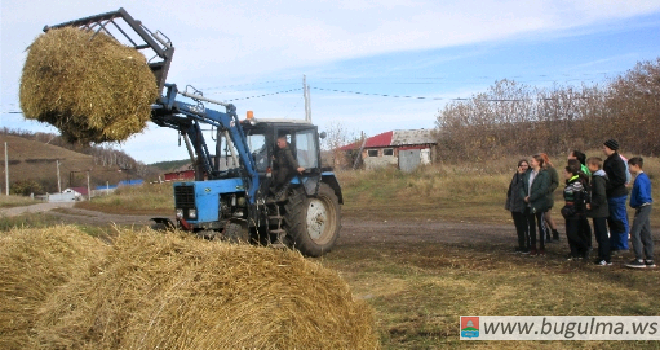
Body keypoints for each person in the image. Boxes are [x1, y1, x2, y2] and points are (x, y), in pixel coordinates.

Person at [625, 157, 654, 268]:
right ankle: (650, 258)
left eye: (630, 166)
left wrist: (640, 201)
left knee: (635, 232)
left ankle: (639, 258)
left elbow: (642, 193)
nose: (629, 169)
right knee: (646, 232)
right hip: (645, 207)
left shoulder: (640, 179)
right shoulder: (643, 177)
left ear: (636, 166)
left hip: (643, 207)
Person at [602, 139, 629, 253]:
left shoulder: (617, 161)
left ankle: (622, 245)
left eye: (604, 147)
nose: (603, 149)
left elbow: (621, 179)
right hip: (610, 194)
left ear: (610, 148)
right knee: (612, 220)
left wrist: (607, 186)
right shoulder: (609, 160)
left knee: (619, 219)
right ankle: (614, 243)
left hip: (617, 195)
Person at [521, 154, 551, 255]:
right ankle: (532, 246)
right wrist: (524, 196)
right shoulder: (528, 173)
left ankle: (542, 246)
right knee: (531, 225)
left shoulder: (544, 174)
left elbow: (543, 189)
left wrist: (532, 198)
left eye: (532, 161)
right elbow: (522, 186)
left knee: (541, 225)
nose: (530, 162)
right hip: (528, 203)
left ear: (538, 162)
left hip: (539, 203)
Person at [562, 159, 590, 260]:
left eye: (565, 172)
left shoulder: (577, 183)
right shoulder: (569, 182)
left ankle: (585, 249)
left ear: (570, 173)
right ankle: (574, 252)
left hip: (576, 211)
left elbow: (578, 199)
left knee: (574, 233)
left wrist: (573, 209)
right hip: (569, 209)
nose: (564, 174)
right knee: (569, 233)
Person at [586, 157, 611, 266]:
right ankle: (602, 257)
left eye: (589, 165)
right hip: (598, 211)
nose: (587, 167)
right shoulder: (597, 177)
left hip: (600, 211)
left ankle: (605, 258)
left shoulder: (598, 179)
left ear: (595, 166)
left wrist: (592, 204)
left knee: (602, 235)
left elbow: (601, 196)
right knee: (599, 234)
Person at [506, 159, 530, 254]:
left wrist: (521, 176)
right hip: (514, 205)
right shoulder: (515, 176)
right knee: (518, 226)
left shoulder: (527, 176)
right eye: (522, 165)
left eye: (525, 165)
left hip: (523, 205)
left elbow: (522, 188)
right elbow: (512, 189)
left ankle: (527, 246)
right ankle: (521, 245)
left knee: (525, 226)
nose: (523, 167)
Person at [540, 153, 560, 242]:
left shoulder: (551, 170)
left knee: (547, 216)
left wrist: (548, 190)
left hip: (547, 196)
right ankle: (546, 235)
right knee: (541, 217)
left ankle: (555, 233)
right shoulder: (538, 170)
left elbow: (555, 183)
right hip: (539, 196)